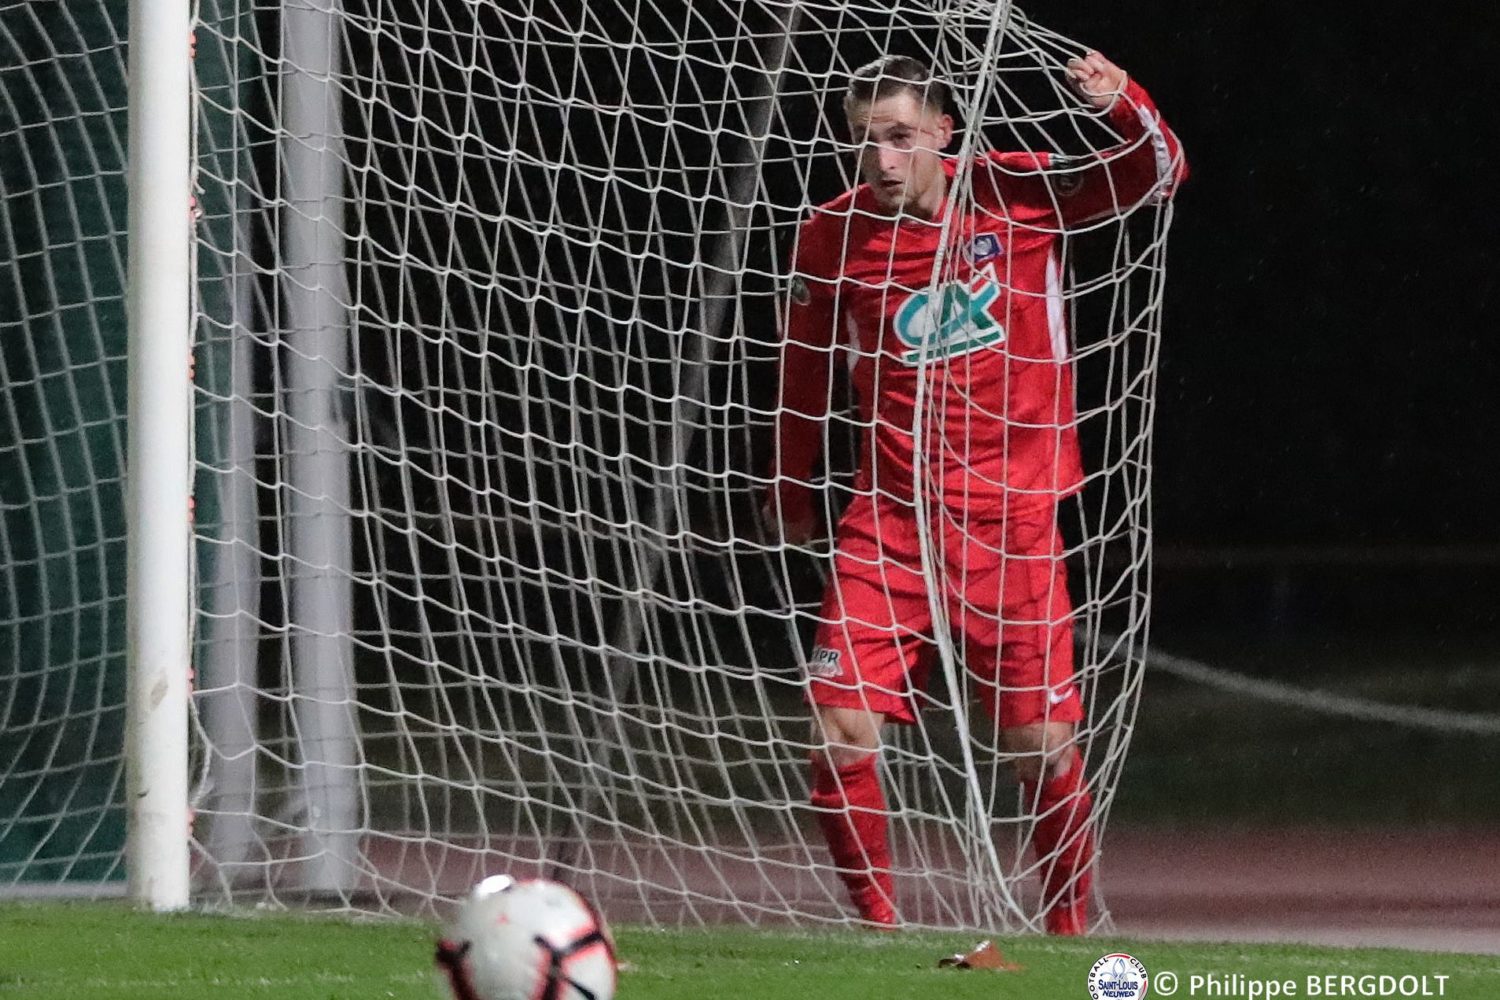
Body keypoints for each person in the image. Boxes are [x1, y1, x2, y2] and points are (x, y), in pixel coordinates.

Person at [763, 51, 1187, 934]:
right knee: (838, 731)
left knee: (1040, 748)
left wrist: (1122, 101)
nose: (882, 160)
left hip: (1012, 522)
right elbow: (803, 371)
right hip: (889, 523)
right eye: (865, 141)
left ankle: (1067, 931)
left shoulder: (1014, 193)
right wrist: (789, 485)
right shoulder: (831, 235)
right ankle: (877, 934)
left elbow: (1160, 171)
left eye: (901, 137)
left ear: (943, 133)